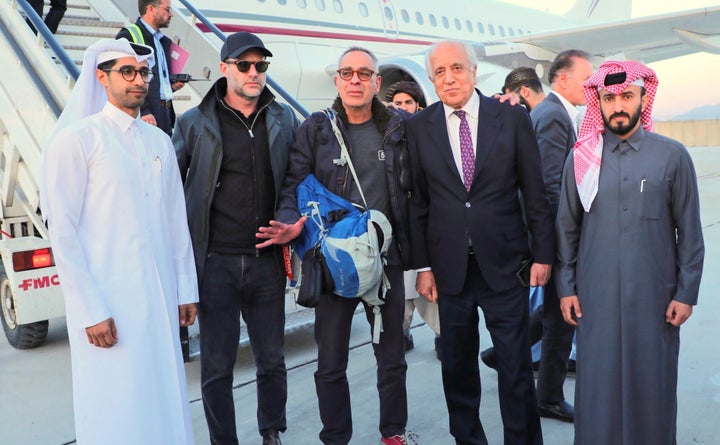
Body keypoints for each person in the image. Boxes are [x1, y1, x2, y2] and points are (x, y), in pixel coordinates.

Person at [40, 38, 198, 445]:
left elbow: (175, 222)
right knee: (116, 404)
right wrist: (89, 308)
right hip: (108, 304)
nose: (137, 81)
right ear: (101, 77)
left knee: (163, 394)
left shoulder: (159, 141)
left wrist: (185, 290)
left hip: (160, 299)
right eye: (126, 72)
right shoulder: (78, 140)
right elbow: (63, 231)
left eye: (143, 72)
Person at [256, 47, 417, 445]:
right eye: (348, 73)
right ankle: (335, 437)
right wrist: (292, 221)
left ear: (378, 83)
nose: (356, 80)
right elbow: (294, 182)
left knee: (391, 359)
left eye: (365, 73)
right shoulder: (316, 128)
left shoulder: (399, 127)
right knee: (330, 362)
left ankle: (393, 433)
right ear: (337, 81)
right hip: (333, 262)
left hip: (385, 260)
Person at [407, 40, 555, 444]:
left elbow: (534, 190)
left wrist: (543, 253)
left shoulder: (510, 119)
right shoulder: (419, 128)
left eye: (457, 68)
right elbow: (419, 202)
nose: (449, 77)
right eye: (439, 72)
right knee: (457, 370)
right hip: (448, 270)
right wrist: (423, 267)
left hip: (506, 265)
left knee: (515, 368)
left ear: (474, 72)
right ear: (432, 80)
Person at [556, 60, 704, 445]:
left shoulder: (672, 156)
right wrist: (566, 287)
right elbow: (566, 229)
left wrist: (685, 294)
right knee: (597, 390)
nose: (617, 105)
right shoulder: (581, 158)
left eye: (626, 96)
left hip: (655, 301)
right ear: (598, 102)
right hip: (595, 298)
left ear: (642, 98)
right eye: (609, 97)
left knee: (651, 386)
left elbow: (689, 232)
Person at [172, 32, 299, 445]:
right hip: (216, 265)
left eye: (260, 66)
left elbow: (295, 181)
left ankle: (271, 432)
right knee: (216, 366)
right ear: (225, 68)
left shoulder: (282, 119)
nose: (253, 73)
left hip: (266, 262)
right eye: (243, 65)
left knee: (272, 361)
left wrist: (288, 219)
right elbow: (170, 192)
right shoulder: (193, 123)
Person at [384, 81, 440, 358]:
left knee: (428, 286)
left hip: (422, 220)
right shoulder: (386, 134)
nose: (403, 108)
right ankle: (401, 332)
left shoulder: (428, 132)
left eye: (408, 102)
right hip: (396, 223)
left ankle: (443, 335)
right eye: (397, 103)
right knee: (402, 289)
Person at [117, 0, 184, 136]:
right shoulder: (129, 36)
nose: (171, 14)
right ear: (151, 9)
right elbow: (124, 80)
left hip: (164, 113)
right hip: (145, 116)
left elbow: (154, 80)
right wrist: (144, 110)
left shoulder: (163, 41)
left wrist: (170, 86)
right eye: (167, 9)